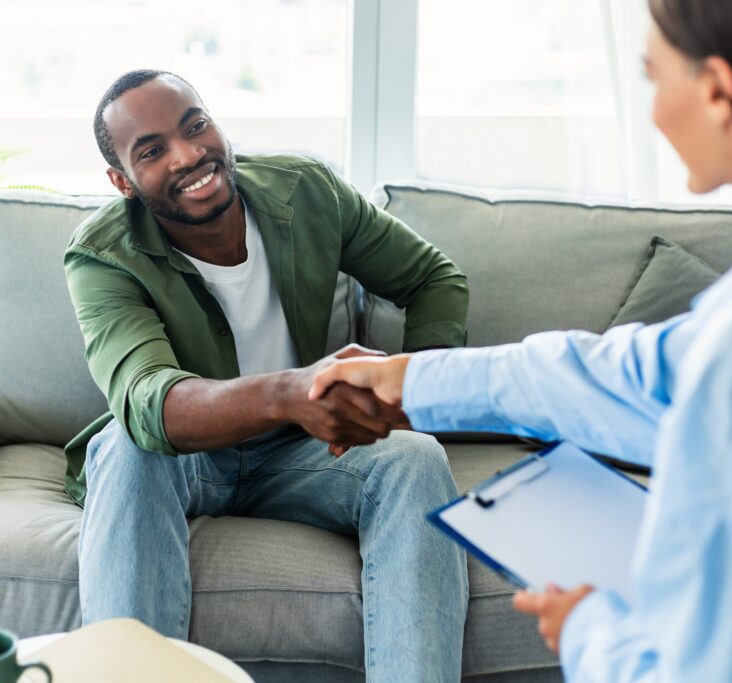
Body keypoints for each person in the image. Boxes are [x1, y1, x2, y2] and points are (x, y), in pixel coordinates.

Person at [309, 0, 732, 680]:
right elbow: (632, 374)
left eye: (652, 76)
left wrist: (591, 631)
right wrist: (415, 380)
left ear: (717, 91)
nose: (654, 111)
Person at [64, 70, 471, 681]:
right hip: (183, 459)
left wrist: (409, 396)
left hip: (305, 454)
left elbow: (433, 278)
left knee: (414, 457)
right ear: (123, 181)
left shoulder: (306, 191)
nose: (188, 154)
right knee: (124, 444)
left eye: (195, 125)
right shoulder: (101, 254)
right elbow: (150, 403)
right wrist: (289, 392)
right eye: (151, 151)